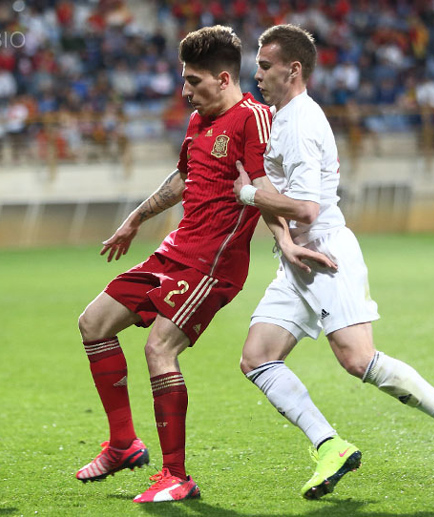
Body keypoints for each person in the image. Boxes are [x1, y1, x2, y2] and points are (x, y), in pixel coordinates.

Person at [232, 24, 434, 499]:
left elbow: (307, 208)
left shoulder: (302, 124)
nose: (259, 76)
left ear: (293, 70)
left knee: (358, 360)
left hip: (326, 252)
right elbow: (284, 200)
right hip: (298, 256)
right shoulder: (283, 118)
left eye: (265, 68)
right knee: (257, 358)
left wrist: (249, 194)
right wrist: (283, 238)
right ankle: (329, 446)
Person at [74, 25, 315, 504]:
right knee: (93, 323)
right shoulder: (199, 120)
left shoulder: (253, 118)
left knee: (159, 349)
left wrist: (285, 242)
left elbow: (265, 190)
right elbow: (184, 178)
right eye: (184, 81)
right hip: (174, 252)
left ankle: (176, 475)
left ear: (224, 79)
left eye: (194, 82)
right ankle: (123, 443)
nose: (185, 92)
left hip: (213, 265)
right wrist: (136, 218)